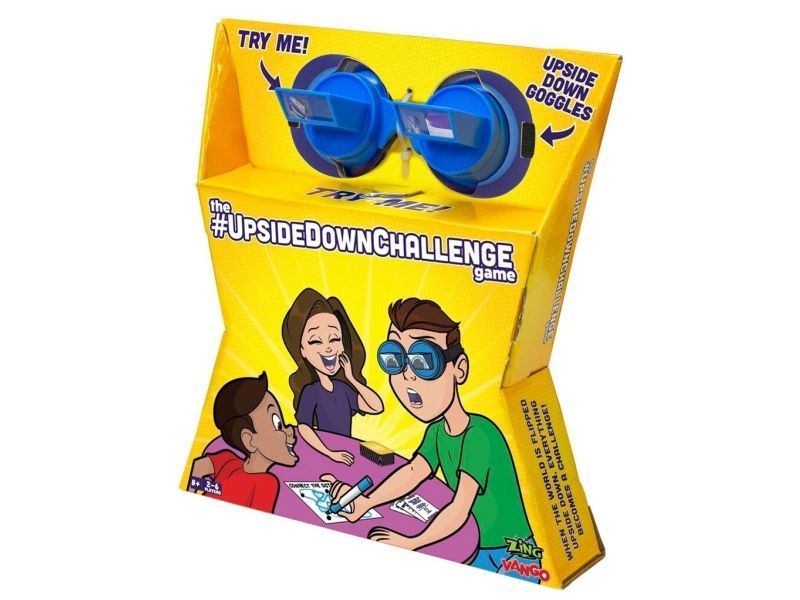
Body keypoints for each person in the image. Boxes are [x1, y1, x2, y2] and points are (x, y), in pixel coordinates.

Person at [322, 298, 542, 581]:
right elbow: (414, 471)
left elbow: (459, 509)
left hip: (510, 555)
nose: (407, 375)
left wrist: (412, 543)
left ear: (459, 368)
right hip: (472, 543)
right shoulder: (437, 431)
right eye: (394, 358)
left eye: (424, 360)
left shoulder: (480, 436)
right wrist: (367, 502)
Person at [282, 288, 383, 465]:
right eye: (315, 341)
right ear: (302, 350)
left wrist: (351, 379)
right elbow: (304, 428)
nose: (328, 348)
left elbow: (376, 407)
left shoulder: (343, 389)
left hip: (346, 455)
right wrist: (330, 453)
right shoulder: (311, 392)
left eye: (335, 339)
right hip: (323, 454)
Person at [189, 371, 298, 513]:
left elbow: (198, 468)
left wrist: (215, 490)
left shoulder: (227, 461)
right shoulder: (265, 483)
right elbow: (198, 467)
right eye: (278, 424)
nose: (290, 430)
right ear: (250, 440)